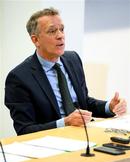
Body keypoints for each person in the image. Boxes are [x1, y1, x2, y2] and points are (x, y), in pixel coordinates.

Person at [4, 7, 127, 135]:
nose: (60, 36)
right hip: (51, 142)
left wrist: (110, 107)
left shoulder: (73, 59)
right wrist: (65, 122)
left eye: (62, 29)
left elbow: (84, 103)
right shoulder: (19, 78)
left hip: (85, 134)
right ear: (35, 40)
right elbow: (24, 130)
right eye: (52, 31)